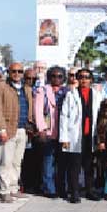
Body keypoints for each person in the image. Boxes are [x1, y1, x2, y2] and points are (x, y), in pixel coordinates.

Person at [0, 62, 34, 203]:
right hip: (8, 129)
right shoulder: (1, 86)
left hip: (22, 129)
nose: (17, 74)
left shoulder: (26, 88)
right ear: (8, 72)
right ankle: (4, 190)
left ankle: (14, 188)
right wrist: (1, 129)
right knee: (5, 161)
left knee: (17, 161)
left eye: (20, 71)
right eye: (13, 71)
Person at [58, 68, 103, 203]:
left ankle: (89, 190)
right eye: (81, 77)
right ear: (77, 79)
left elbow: (101, 117)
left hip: (91, 135)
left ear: (91, 79)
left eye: (87, 77)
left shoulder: (97, 94)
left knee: (89, 166)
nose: (84, 80)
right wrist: (64, 138)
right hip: (75, 135)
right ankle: (74, 192)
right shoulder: (71, 95)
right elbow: (64, 117)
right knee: (75, 166)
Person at [34, 66, 69, 198]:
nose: (56, 79)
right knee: (48, 161)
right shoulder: (42, 91)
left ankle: (62, 187)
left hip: (63, 132)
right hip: (48, 132)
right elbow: (38, 111)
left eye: (60, 76)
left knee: (62, 162)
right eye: (54, 76)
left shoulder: (67, 92)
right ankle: (49, 189)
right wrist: (41, 129)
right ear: (49, 78)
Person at [19, 68, 41, 193]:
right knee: (23, 160)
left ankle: (35, 184)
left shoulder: (38, 90)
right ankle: (24, 185)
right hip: (25, 129)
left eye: (34, 79)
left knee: (36, 159)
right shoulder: (21, 91)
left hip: (37, 131)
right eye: (28, 78)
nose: (31, 81)